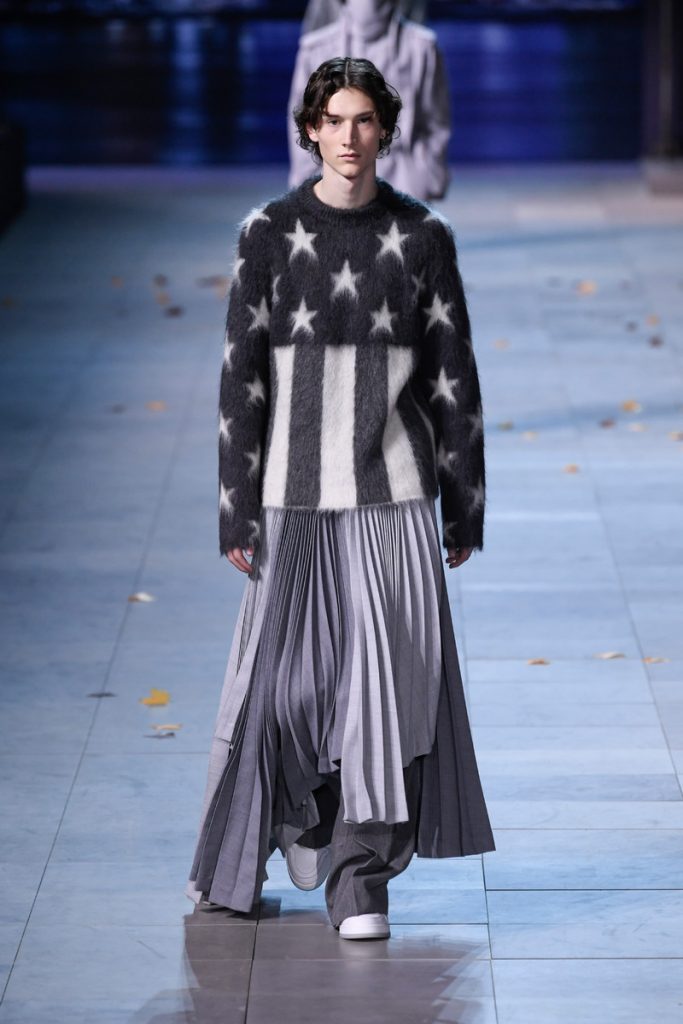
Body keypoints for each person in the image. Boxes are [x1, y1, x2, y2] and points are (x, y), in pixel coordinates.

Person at [186, 56, 495, 941]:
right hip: (289, 497)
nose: (349, 137)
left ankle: (362, 882)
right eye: (333, 120)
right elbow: (240, 377)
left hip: (391, 495)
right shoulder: (268, 233)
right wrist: (235, 504)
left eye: (364, 120)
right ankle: (285, 830)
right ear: (310, 130)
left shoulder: (422, 236)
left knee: (384, 693)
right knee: (281, 691)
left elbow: (452, 380)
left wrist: (463, 504)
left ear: (385, 129)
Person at [288, 0, 451, 201]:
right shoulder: (315, 49)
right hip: (333, 180)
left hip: (404, 181)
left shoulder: (422, 47)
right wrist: (308, 182)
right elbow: (303, 118)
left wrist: (424, 175)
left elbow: (436, 122)